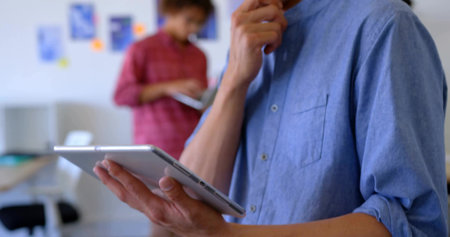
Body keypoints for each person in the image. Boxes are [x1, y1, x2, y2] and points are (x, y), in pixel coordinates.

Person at [97, 0, 448, 236]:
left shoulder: (383, 25)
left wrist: (229, 234)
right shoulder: (246, 38)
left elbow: (411, 222)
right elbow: (193, 190)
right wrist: (234, 79)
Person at [113, 0, 214, 159]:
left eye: (199, 23)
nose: (194, 28)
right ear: (171, 11)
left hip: (194, 146)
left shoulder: (199, 56)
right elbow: (122, 95)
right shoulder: (142, 49)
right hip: (155, 149)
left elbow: (203, 105)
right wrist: (167, 88)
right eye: (189, 19)